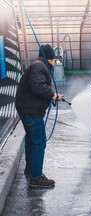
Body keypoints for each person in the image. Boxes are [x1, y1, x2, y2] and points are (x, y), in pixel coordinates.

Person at [15, 44, 64, 188]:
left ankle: (30, 168)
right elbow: (37, 86)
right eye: (54, 59)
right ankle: (36, 178)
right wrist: (53, 95)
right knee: (39, 142)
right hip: (31, 111)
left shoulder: (37, 65)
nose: (55, 62)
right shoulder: (40, 67)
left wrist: (53, 96)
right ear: (50, 59)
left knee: (31, 138)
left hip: (26, 109)